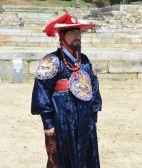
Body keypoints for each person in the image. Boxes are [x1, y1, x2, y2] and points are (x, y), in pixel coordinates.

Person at [31, 12, 102, 168]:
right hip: (62, 121)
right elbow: (42, 91)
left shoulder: (84, 60)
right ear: (62, 35)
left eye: (79, 32)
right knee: (62, 160)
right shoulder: (51, 61)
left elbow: (94, 88)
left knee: (86, 157)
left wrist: (93, 116)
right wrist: (48, 123)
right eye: (73, 32)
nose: (78, 36)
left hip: (85, 121)